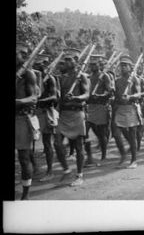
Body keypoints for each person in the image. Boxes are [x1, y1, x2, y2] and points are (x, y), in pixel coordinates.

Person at [54, 48, 90, 187]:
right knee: (57, 143)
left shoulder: (82, 77)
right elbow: (59, 96)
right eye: (66, 59)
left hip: (77, 114)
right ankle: (66, 169)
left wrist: (76, 97)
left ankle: (79, 175)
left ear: (76, 61)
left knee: (79, 146)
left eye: (70, 59)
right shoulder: (62, 77)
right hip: (63, 115)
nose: (67, 61)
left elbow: (87, 95)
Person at [15, 42, 38, 200]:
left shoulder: (28, 74)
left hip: (23, 118)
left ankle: (25, 194)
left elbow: (34, 97)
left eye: (23, 54)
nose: (21, 57)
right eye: (19, 53)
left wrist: (20, 102)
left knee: (24, 157)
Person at [111, 55, 142, 169]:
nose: (123, 67)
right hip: (119, 109)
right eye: (121, 65)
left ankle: (134, 160)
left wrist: (130, 96)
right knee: (116, 133)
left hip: (130, 108)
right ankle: (123, 153)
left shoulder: (135, 79)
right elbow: (115, 95)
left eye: (125, 65)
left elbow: (138, 94)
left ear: (130, 67)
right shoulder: (117, 80)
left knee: (132, 134)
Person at [34, 53, 59, 182]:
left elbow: (55, 97)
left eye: (42, 64)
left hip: (45, 112)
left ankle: (50, 171)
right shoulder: (30, 77)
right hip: (33, 113)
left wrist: (39, 100)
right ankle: (35, 168)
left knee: (47, 143)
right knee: (31, 142)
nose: (39, 66)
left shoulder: (50, 79)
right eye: (37, 64)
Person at [84, 54, 112, 167]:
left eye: (94, 64)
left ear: (99, 65)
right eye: (91, 65)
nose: (92, 67)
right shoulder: (88, 77)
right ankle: (89, 157)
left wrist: (100, 95)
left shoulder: (105, 76)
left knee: (101, 134)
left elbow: (110, 91)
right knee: (84, 133)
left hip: (101, 107)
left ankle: (104, 156)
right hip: (90, 108)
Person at [136, 63, 144, 152]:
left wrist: (137, 95)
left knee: (140, 125)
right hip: (132, 104)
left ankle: (139, 143)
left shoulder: (142, 80)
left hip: (141, 103)